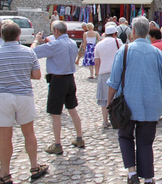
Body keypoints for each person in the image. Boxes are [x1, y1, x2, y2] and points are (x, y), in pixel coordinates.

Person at [107, 16, 162, 184]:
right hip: (151, 103)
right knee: (145, 142)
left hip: (127, 104)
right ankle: (149, 178)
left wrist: (109, 101)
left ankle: (131, 173)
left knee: (125, 137)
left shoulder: (124, 50)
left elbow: (114, 80)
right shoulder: (157, 52)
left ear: (134, 31)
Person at [0, 21, 49, 184]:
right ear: (19, 35)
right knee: (29, 133)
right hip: (23, 95)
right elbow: (36, 75)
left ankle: (5, 173)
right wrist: (20, 74)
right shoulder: (28, 52)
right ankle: (34, 166)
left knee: (4, 137)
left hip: (3, 97)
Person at [31, 20, 84, 155]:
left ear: (56, 31)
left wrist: (37, 40)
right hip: (69, 78)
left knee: (55, 114)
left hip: (58, 80)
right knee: (72, 109)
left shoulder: (55, 45)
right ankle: (79, 138)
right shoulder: (72, 43)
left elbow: (33, 53)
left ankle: (57, 144)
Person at [94, 25, 123, 128]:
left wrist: (97, 73)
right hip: (116, 71)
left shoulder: (99, 45)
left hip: (103, 72)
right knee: (116, 97)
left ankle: (105, 121)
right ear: (115, 33)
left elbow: (97, 61)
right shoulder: (118, 42)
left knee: (104, 98)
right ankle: (117, 118)